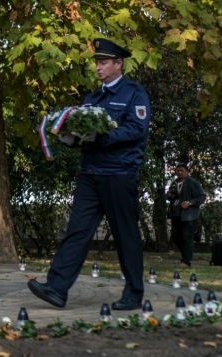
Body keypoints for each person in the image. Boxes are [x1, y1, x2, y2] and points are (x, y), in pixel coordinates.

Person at [28, 38, 151, 311]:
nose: (98, 67)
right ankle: (57, 288)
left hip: (119, 172)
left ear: (118, 64)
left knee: (125, 235)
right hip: (91, 172)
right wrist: (71, 139)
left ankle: (133, 293)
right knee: (77, 231)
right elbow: (83, 133)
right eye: (97, 62)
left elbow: (136, 130)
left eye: (104, 62)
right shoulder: (92, 98)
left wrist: (101, 137)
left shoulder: (135, 93)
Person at [167, 163, 206, 268]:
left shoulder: (194, 183)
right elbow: (172, 197)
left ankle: (186, 261)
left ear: (187, 172)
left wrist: (190, 202)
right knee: (175, 236)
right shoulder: (174, 183)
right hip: (176, 214)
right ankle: (187, 252)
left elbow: (202, 197)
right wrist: (169, 195)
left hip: (189, 215)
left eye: (182, 170)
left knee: (187, 238)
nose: (179, 172)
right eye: (178, 170)